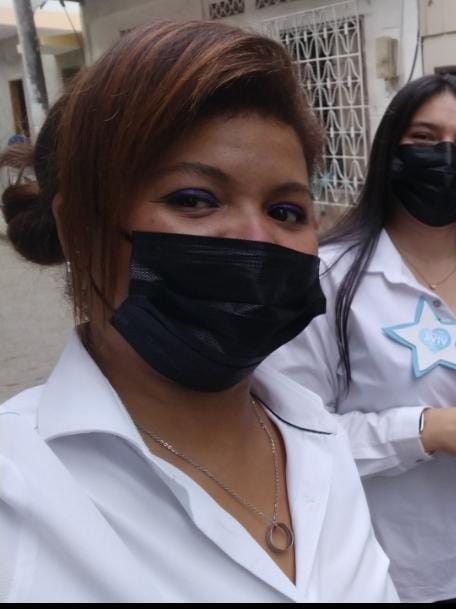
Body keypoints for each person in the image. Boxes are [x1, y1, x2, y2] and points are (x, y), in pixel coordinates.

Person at [0, 21, 396, 602]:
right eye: (194, 200)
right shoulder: (17, 492)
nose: (256, 239)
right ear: (80, 229)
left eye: (286, 211)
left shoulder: (316, 434)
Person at [266, 74, 456, 603]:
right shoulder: (328, 280)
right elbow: (288, 439)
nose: (447, 159)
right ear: (391, 152)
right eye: (425, 139)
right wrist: (424, 430)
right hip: (394, 574)